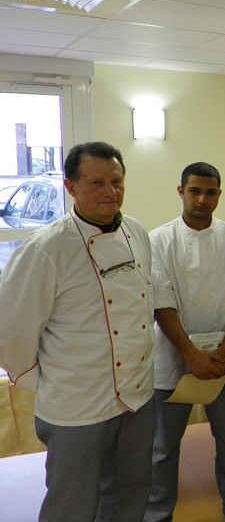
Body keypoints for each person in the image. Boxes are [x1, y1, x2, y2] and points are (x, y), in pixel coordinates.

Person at [0, 141, 156, 521]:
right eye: (97, 182)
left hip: (137, 395)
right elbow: (11, 331)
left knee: (132, 491)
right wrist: (53, 382)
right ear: (70, 187)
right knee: (72, 503)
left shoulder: (137, 232)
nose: (110, 191)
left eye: (116, 181)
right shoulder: (46, 249)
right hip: (77, 405)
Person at [146, 162, 225, 522]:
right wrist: (190, 353)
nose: (202, 199)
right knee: (163, 446)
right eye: (194, 191)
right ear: (181, 191)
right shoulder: (158, 239)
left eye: (210, 192)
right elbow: (161, 303)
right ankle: (157, 513)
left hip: (224, 358)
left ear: (219, 195)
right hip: (173, 359)